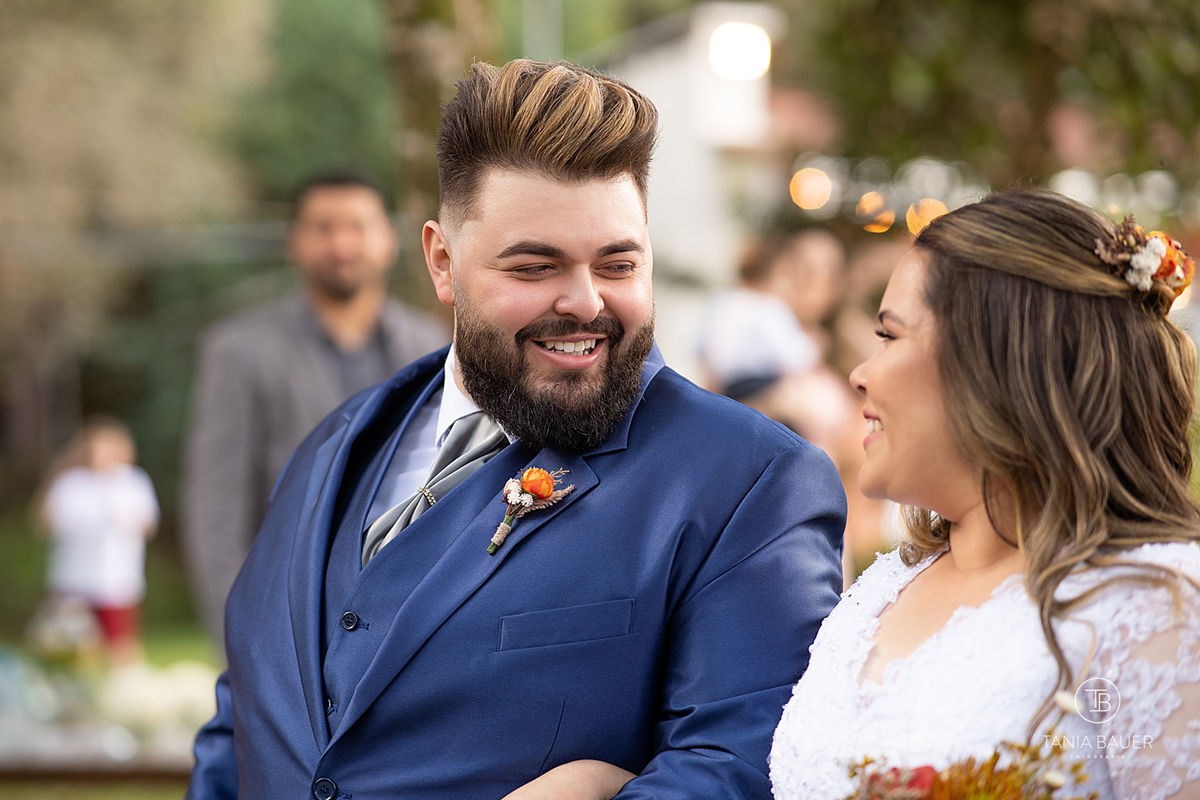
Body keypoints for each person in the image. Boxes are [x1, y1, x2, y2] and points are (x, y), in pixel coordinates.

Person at [185, 59, 845, 800]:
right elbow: (247, 718)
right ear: (443, 263)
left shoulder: (750, 480)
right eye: (536, 267)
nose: (586, 302)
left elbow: (738, 769)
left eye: (619, 264)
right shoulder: (331, 448)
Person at [769, 187, 1200, 800]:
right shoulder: (881, 589)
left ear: (992, 364)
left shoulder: (1156, 603)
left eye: (890, 336)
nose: (860, 372)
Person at [182, 171, 450, 647]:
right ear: (295, 243)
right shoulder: (240, 352)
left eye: (358, 226)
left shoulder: (434, 346)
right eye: (323, 227)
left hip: (409, 626)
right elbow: (216, 507)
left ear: (390, 241)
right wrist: (240, 642)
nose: (342, 243)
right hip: (286, 627)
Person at [40, 416, 159, 666]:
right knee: (69, 643)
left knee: (121, 644)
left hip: (116, 576)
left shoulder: (133, 481)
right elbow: (47, 522)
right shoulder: (71, 482)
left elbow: (147, 524)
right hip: (73, 576)